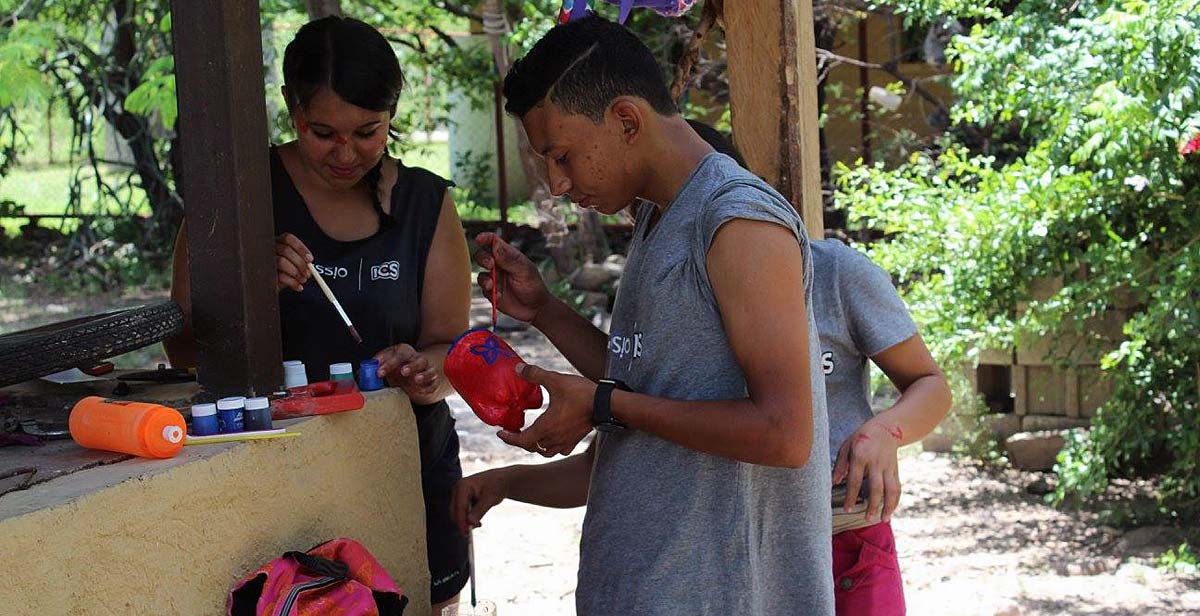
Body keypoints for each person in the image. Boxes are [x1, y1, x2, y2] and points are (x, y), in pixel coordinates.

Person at [456, 15, 834, 615]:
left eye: (563, 156)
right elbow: (651, 385)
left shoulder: (739, 223)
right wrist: (546, 311)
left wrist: (602, 404)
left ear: (627, 120)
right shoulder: (659, 217)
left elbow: (785, 435)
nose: (556, 183)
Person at [164, 16, 473, 612]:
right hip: (277, 484)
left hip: (406, 467)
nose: (346, 153)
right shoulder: (239, 199)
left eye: (368, 132)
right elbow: (182, 355)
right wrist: (248, 291)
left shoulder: (424, 205)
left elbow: (449, 349)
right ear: (289, 108)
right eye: (322, 131)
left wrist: (423, 370)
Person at [685, 120, 952, 614]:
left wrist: (886, 431)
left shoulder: (834, 274)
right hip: (725, 543)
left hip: (844, 537)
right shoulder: (672, 297)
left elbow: (931, 386)